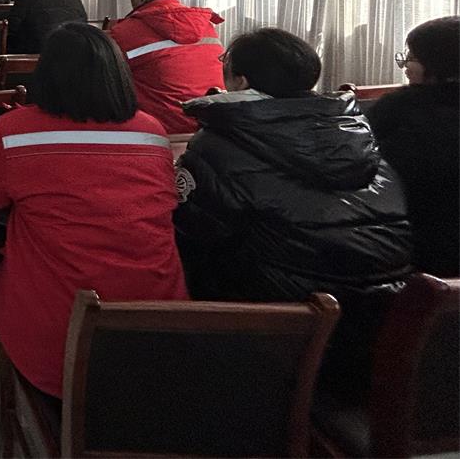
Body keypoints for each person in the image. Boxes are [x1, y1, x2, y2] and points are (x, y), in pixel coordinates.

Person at [174, 28, 412, 396]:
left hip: (287, 330)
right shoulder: (356, 129)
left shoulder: (220, 142)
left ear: (241, 81)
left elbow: (198, 232)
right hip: (384, 326)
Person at [0, 23, 187, 401]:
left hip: (64, 340)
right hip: (157, 331)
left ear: (46, 76)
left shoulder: (16, 131)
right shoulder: (152, 132)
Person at [369, 16, 459, 277]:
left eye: (412, 58)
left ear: (439, 63)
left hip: (420, 251)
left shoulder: (400, 108)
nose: (406, 67)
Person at [107, 0, 224, 135]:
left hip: (158, 130)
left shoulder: (124, 32)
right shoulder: (206, 26)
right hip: (208, 126)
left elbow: (106, 80)